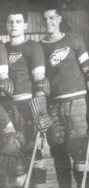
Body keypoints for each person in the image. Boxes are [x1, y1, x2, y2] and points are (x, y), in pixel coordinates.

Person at [40, 7, 89, 188]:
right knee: (58, 152)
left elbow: (87, 68)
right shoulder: (40, 46)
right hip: (53, 105)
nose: (48, 22)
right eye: (45, 19)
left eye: (52, 18)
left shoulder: (74, 39)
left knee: (78, 150)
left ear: (59, 18)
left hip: (76, 102)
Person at [3, 10, 52, 188]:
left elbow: (39, 82)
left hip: (27, 106)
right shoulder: (3, 47)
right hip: (8, 107)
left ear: (25, 25)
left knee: (33, 151)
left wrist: (40, 112)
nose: (14, 25)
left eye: (18, 21)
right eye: (10, 21)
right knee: (12, 153)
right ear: (6, 25)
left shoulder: (33, 47)